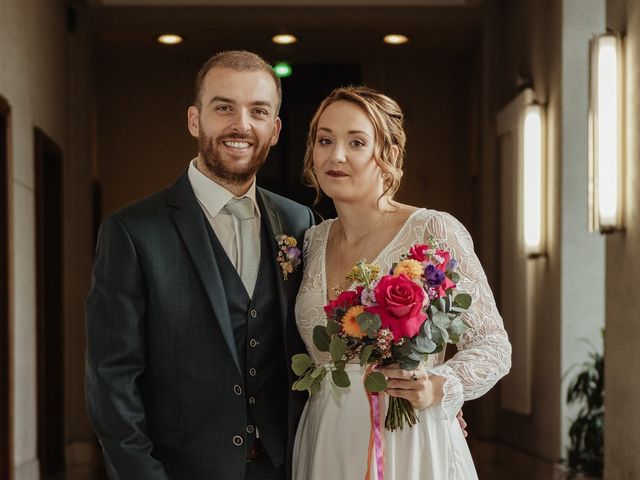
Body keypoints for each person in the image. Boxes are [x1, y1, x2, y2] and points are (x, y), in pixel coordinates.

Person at [85, 50, 314, 480]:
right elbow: (112, 380)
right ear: (195, 120)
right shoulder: (132, 232)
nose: (241, 125)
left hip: (287, 467)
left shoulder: (301, 223)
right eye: (223, 107)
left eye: (258, 111)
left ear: (276, 129)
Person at [292, 86, 512, 479]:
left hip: (408, 437)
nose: (335, 155)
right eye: (324, 140)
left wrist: (440, 385)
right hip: (326, 436)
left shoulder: (432, 230)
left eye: (356, 142)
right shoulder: (311, 241)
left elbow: (493, 345)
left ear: (389, 154)